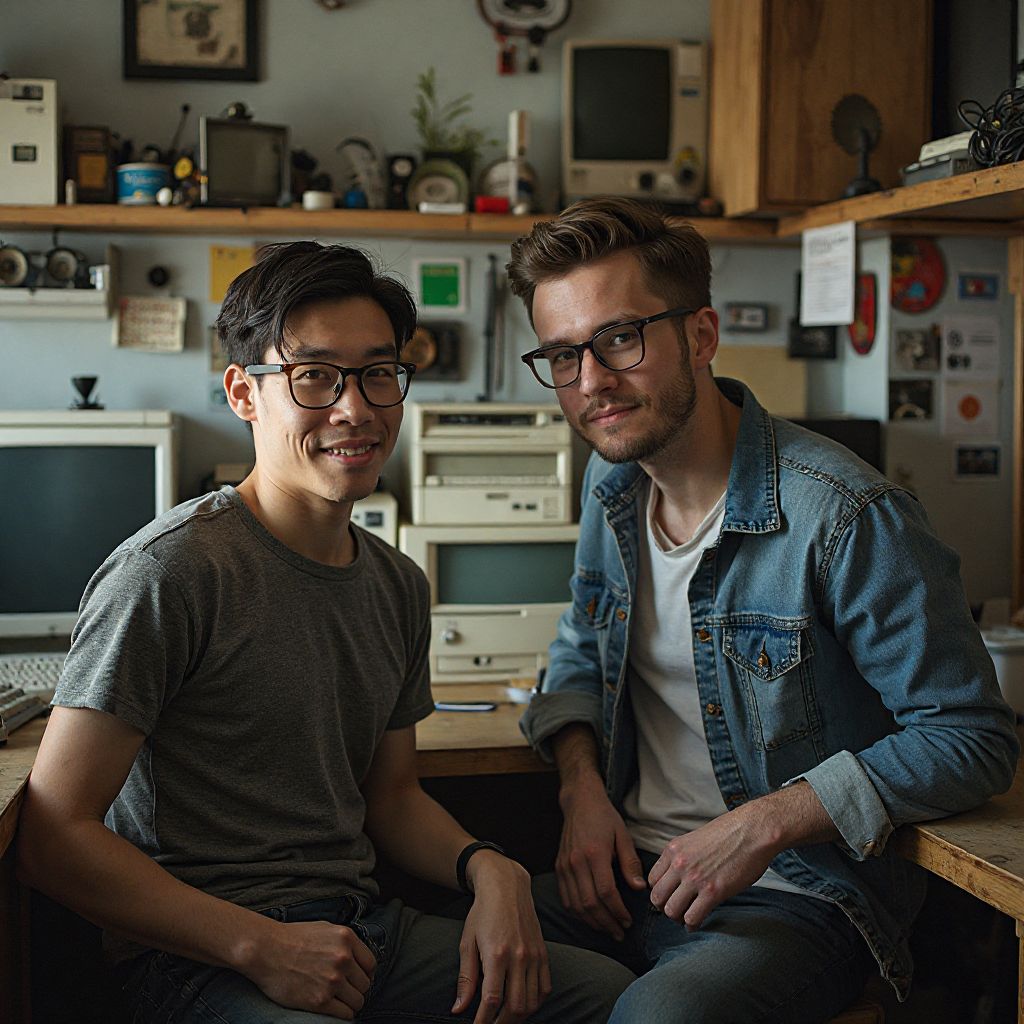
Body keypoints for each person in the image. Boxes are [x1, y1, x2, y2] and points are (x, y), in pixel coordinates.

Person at [16, 241, 634, 1024]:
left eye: (379, 373)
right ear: (244, 393)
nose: (356, 408)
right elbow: (53, 837)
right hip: (196, 959)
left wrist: (492, 870)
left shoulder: (396, 583)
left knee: (612, 1002)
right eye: (314, 377)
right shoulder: (169, 572)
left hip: (359, 930)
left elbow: (392, 797)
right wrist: (257, 947)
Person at [505, 197, 1020, 1023]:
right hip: (631, 878)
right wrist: (581, 789)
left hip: (796, 898)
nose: (591, 381)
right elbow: (577, 649)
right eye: (563, 356)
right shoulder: (613, 490)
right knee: (443, 952)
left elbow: (972, 737)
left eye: (620, 338)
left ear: (701, 336)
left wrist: (765, 823)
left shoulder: (848, 516)